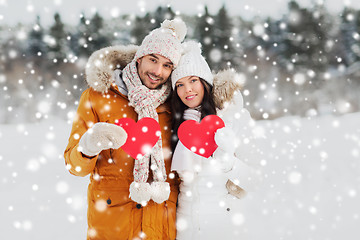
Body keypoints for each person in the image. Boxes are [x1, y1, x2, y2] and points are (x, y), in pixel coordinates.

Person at [64, 19, 187, 240]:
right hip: (112, 226)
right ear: (139, 57)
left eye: (167, 65)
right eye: (153, 59)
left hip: (161, 226)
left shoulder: (176, 103)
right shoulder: (97, 97)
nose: (158, 71)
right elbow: (74, 166)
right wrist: (87, 147)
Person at [170, 41, 261, 239]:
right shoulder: (176, 124)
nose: (188, 90)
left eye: (193, 80)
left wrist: (229, 163)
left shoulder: (234, 118)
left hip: (223, 226)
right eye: (180, 84)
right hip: (186, 227)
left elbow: (256, 180)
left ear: (205, 82)